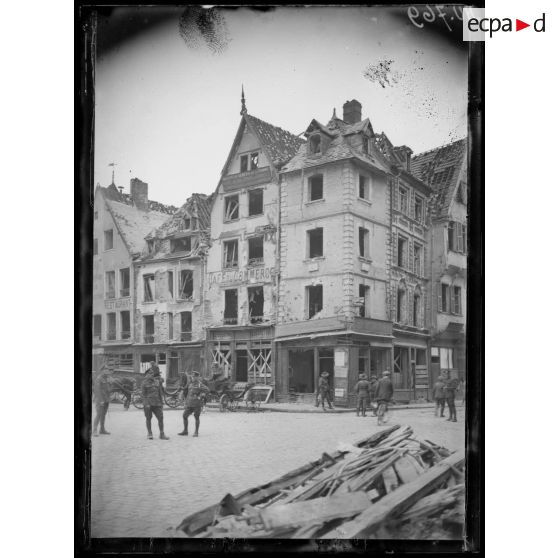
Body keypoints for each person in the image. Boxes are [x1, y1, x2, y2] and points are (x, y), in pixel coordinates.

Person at [141, 362, 169, 440]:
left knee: (161, 418)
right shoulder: (144, 383)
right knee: (148, 418)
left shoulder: (157, 382)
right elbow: (143, 395)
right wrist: (146, 404)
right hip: (148, 404)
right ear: (146, 375)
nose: (152, 375)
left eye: (152, 373)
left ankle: (162, 434)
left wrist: (161, 403)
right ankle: (149, 433)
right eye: (150, 374)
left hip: (157, 403)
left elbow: (160, 392)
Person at [178, 371, 209, 437]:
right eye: (192, 376)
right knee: (184, 416)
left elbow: (207, 390)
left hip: (196, 404)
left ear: (197, 377)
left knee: (196, 417)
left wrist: (201, 395)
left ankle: (196, 432)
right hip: (189, 404)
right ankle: (185, 431)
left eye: (194, 376)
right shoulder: (190, 384)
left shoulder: (200, 384)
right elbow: (188, 393)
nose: (193, 377)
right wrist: (185, 401)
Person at [93, 366, 112, 436]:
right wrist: (101, 400)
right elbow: (97, 390)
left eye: (108, 370)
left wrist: (111, 384)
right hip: (100, 400)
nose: (107, 371)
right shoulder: (99, 379)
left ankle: (102, 429)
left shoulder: (107, 378)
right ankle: (94, 430)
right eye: (105, 370)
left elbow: (109, 389)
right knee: (98, 414)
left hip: (106, 400)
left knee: (103, 415)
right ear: (102, 371)